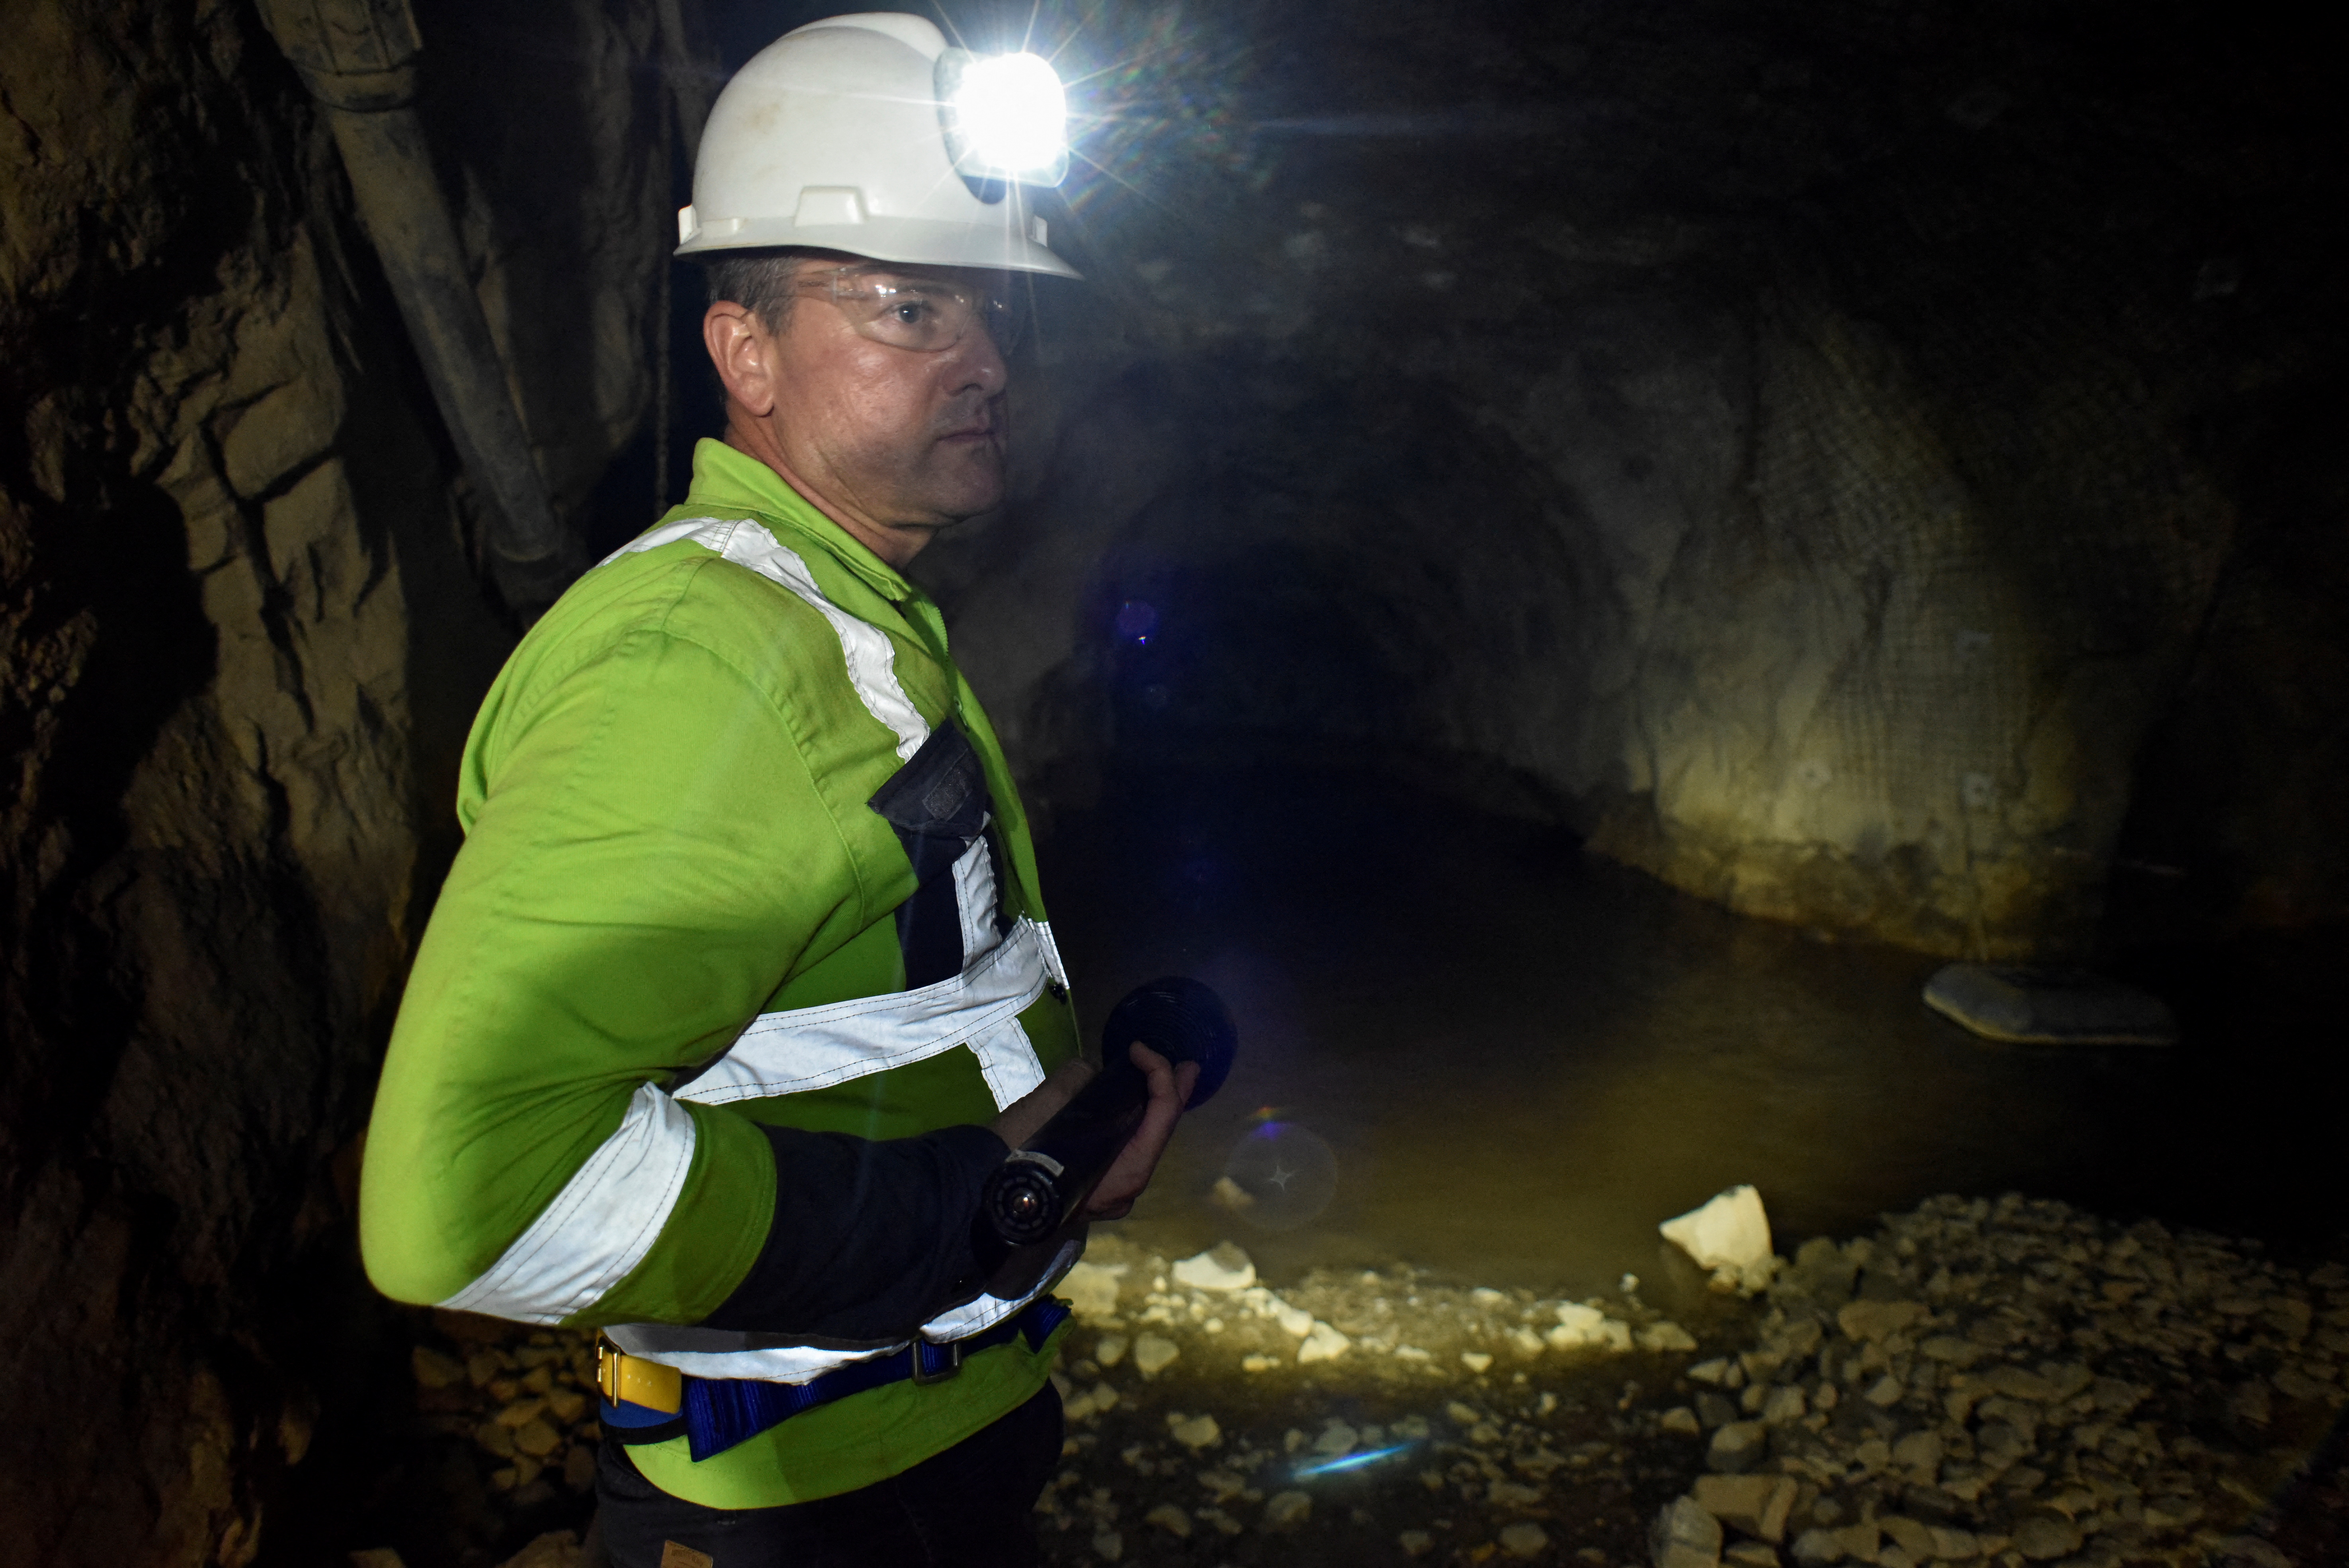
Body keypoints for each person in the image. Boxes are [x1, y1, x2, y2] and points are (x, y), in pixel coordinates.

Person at [356, 15, 1189, 1564]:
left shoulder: (838, 617)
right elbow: (459, 1201)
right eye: (907, 307)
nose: (988, 360)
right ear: (744, 352)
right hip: (802, 1511)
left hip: (912, 1460)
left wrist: (1059, 1137)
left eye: (992, 309)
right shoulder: (711, 663)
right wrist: (972, 1209)